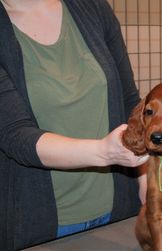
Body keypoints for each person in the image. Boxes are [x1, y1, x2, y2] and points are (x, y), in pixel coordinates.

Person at [0, 0, 148, 249]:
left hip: (120, 213)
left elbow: (129, 101)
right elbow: (16, 135)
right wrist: (104, 151)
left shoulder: (92, 8)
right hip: (43, 226)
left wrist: (146, 176)